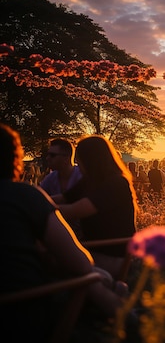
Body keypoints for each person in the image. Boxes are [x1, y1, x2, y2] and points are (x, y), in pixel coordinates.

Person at [0, 124, 121, 341]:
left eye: (80, 159)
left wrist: (35, 210)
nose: (78, 163)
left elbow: (72, 209)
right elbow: (57, 201)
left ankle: (123, 316)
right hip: (25, 312)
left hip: (111, 249)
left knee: (74, 269)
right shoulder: (29, 194)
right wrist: (34, 208)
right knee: (80, 270)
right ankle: (126, 316)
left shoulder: (113, 184)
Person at [56, 135, 138, 279]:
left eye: (79, 159)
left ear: (90, 160)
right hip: (93, 248)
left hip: (112, 255)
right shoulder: (90, 181)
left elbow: (76, 210)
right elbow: (63, 198)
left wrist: (38, 208)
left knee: (54, 264)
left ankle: (110, 292)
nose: (77, 163)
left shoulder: (116, 183)